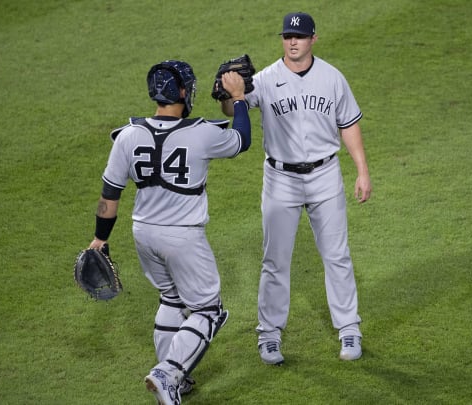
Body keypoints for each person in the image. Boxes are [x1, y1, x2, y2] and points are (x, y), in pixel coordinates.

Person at [87, 60, 251, 405]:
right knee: (208, 311)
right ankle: (169, 373)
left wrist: (100, 238)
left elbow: (110, 195)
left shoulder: (128, 136)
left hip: (143, 233)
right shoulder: (201, 133)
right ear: (180, 93)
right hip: (183, 237)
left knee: (172, 299)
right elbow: (241, 140)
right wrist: (237, 98)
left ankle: (175, 374)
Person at [221, 12, 372, 365]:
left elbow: (348, 125)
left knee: (337, 256)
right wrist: (228, 94)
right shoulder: (266, 78)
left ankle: (349, 327)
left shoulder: (332, 78)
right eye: (288, 35)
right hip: (280, 179)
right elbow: (234, 108)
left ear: (313, 39)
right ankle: (269, 334)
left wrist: (362, 171)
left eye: (300, 36)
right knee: (275, 261)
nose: (292, 41)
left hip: (325, 174)